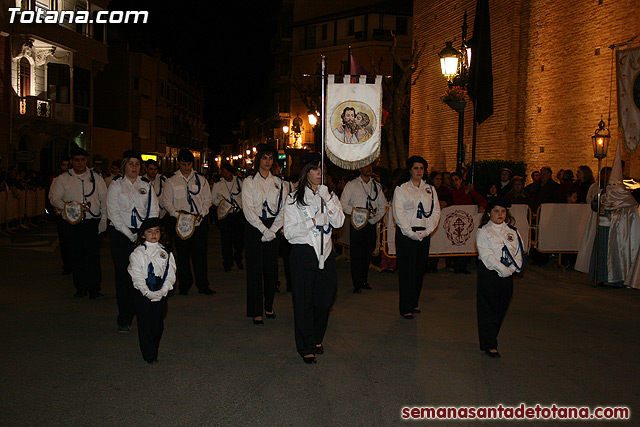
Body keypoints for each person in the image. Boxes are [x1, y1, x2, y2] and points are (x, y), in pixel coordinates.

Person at [284, 152, 345, 364]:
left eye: (321, 168)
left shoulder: (329, 195)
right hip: (304, 253)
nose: (319, 172)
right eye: (314, 168)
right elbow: (289, 233)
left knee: (325, 299)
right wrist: (312, 221)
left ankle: (317, 337)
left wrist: (327, 198)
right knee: (303, 301)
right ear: (305, 171)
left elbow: (338, 222)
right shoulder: (293, 198)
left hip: (326, 253)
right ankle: (306, 345)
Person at [107, 150, 159, 333]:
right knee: (123, 277)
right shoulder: (116, 185)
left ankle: (143, 313)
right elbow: (113, 212)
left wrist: (148, 234)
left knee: (143, 275)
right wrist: (130, 235)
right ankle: (125, 317)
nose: (134, 167)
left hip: (141, 235)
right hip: (122, 235)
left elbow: (153, 210)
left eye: (137, 164)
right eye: (131, 164)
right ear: (124, 165)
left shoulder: (146, 185)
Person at [49, 146, 108, 299]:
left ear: (86, 161)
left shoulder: (96, 177)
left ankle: (94, 288)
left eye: (82, 160)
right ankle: (80, 287)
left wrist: (104, 219)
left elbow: (103, 199)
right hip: (73, 222)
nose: (80, 163)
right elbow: (54, 198)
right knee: (76, 255)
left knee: (92, 256)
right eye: (76, 160)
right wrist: (68, 207)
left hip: (91, 221)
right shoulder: (63, 178)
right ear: (71, 162)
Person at [392, 156, 441, 319]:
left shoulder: (430, 188)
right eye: (416, 168)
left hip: (424, 233)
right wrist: (410, 232)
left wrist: (427, 231)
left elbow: (436, 211)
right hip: (406, 234)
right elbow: (398, 212)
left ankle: (414, 301)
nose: (419, 171)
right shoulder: (401, 188)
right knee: (406, 271)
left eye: (422, 168)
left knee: (419, 270)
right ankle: (405, 306)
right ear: (410, 170)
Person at [475, 198, 525, 358]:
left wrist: (512, 269)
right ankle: (489, 343)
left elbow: (519, 250)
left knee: (501, 307)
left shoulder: (512, 231)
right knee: (488, 308)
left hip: (508, 274)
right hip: (490, 273)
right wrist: (502, 269)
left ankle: (490, 336)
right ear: (489, 213)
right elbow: (486, 255)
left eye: (503, 211)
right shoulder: (484, 231)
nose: (500, 214)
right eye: (496, 211)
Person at [241, 143, 285, 324]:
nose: (267, 161)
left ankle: (269, 306)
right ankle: (255, 310)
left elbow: (283, 209)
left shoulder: (279, 182)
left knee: (271, 270)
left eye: (270, 158)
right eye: (264, 158)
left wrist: (273, 230)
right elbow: (248, 209)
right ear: (258, 159)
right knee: (254, 270)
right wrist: (263, 230)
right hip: (254, 227)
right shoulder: (249, 181)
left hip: (273, 227)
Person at [163, 149, 214, 295]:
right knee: (182, 255)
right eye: (184, 164)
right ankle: (184, 285)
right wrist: (179, 216)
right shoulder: (171, 180)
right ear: (179, 163)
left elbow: (207, 200)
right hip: (180, 222)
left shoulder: (201, 179)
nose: (186, 167)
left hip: (198, 222)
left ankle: (203, 285)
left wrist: (201, 215)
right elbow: (167, 202)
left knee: (200, 255)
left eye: (189, 164)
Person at [128, 217, 176, 364]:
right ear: (143, 235)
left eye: (157, 231)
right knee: (145, 323)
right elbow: (136, 275)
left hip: (160, 292)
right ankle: (149, 354)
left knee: (158, 324)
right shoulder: (138, 253)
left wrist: (163, 291)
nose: (154, 234)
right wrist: (147, 292)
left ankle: (153, 346)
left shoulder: (165, 252)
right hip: (142, 294)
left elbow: (171, 273)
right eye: (149, 232)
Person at [340, 163, 388, 293]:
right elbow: (343, 204)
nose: (369, 169)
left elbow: (383, 205)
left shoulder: (376, 186)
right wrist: (358, 212)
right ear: (360, 168)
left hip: (370, 223)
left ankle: (364, 279)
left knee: (368, 252)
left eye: (370, 167)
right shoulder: (352, 185)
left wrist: (374, 219)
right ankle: (357, 283)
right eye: (365, 166)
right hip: (357, 222)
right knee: (356, 254)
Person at [450, 171, 486, 274]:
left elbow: (481, 199)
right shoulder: (452, 191)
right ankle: (457, 266)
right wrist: (465, 192)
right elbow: (456, 201)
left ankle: (464, 266)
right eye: (453, 181)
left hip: (466, 221)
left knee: (465, 241)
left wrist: (482, 206)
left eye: (456, 180)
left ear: (461, 180)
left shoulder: (468, 190)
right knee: (456, 242)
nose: (455, 182)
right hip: (456, 221)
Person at [211, 163, 245, 272]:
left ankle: (238, 257)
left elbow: (244, 196)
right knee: (226, 240)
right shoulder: (218, 184)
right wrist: (223, 204)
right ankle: (227, 261)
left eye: (227, 171)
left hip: (238, 214)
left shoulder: (239, 182)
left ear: (231, 172)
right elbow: (213, 199)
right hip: (225, 215)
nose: (225, 174)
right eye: (223, 171)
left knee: (239, 240)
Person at [50, 157, 73, 275]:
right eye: (64, 165)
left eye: (68, 165)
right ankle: (67, 265)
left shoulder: (74, 178)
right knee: (65, 241)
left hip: (75, 215)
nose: (66, 167)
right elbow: (53, 197)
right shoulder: (58, 179)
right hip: (63, 214)